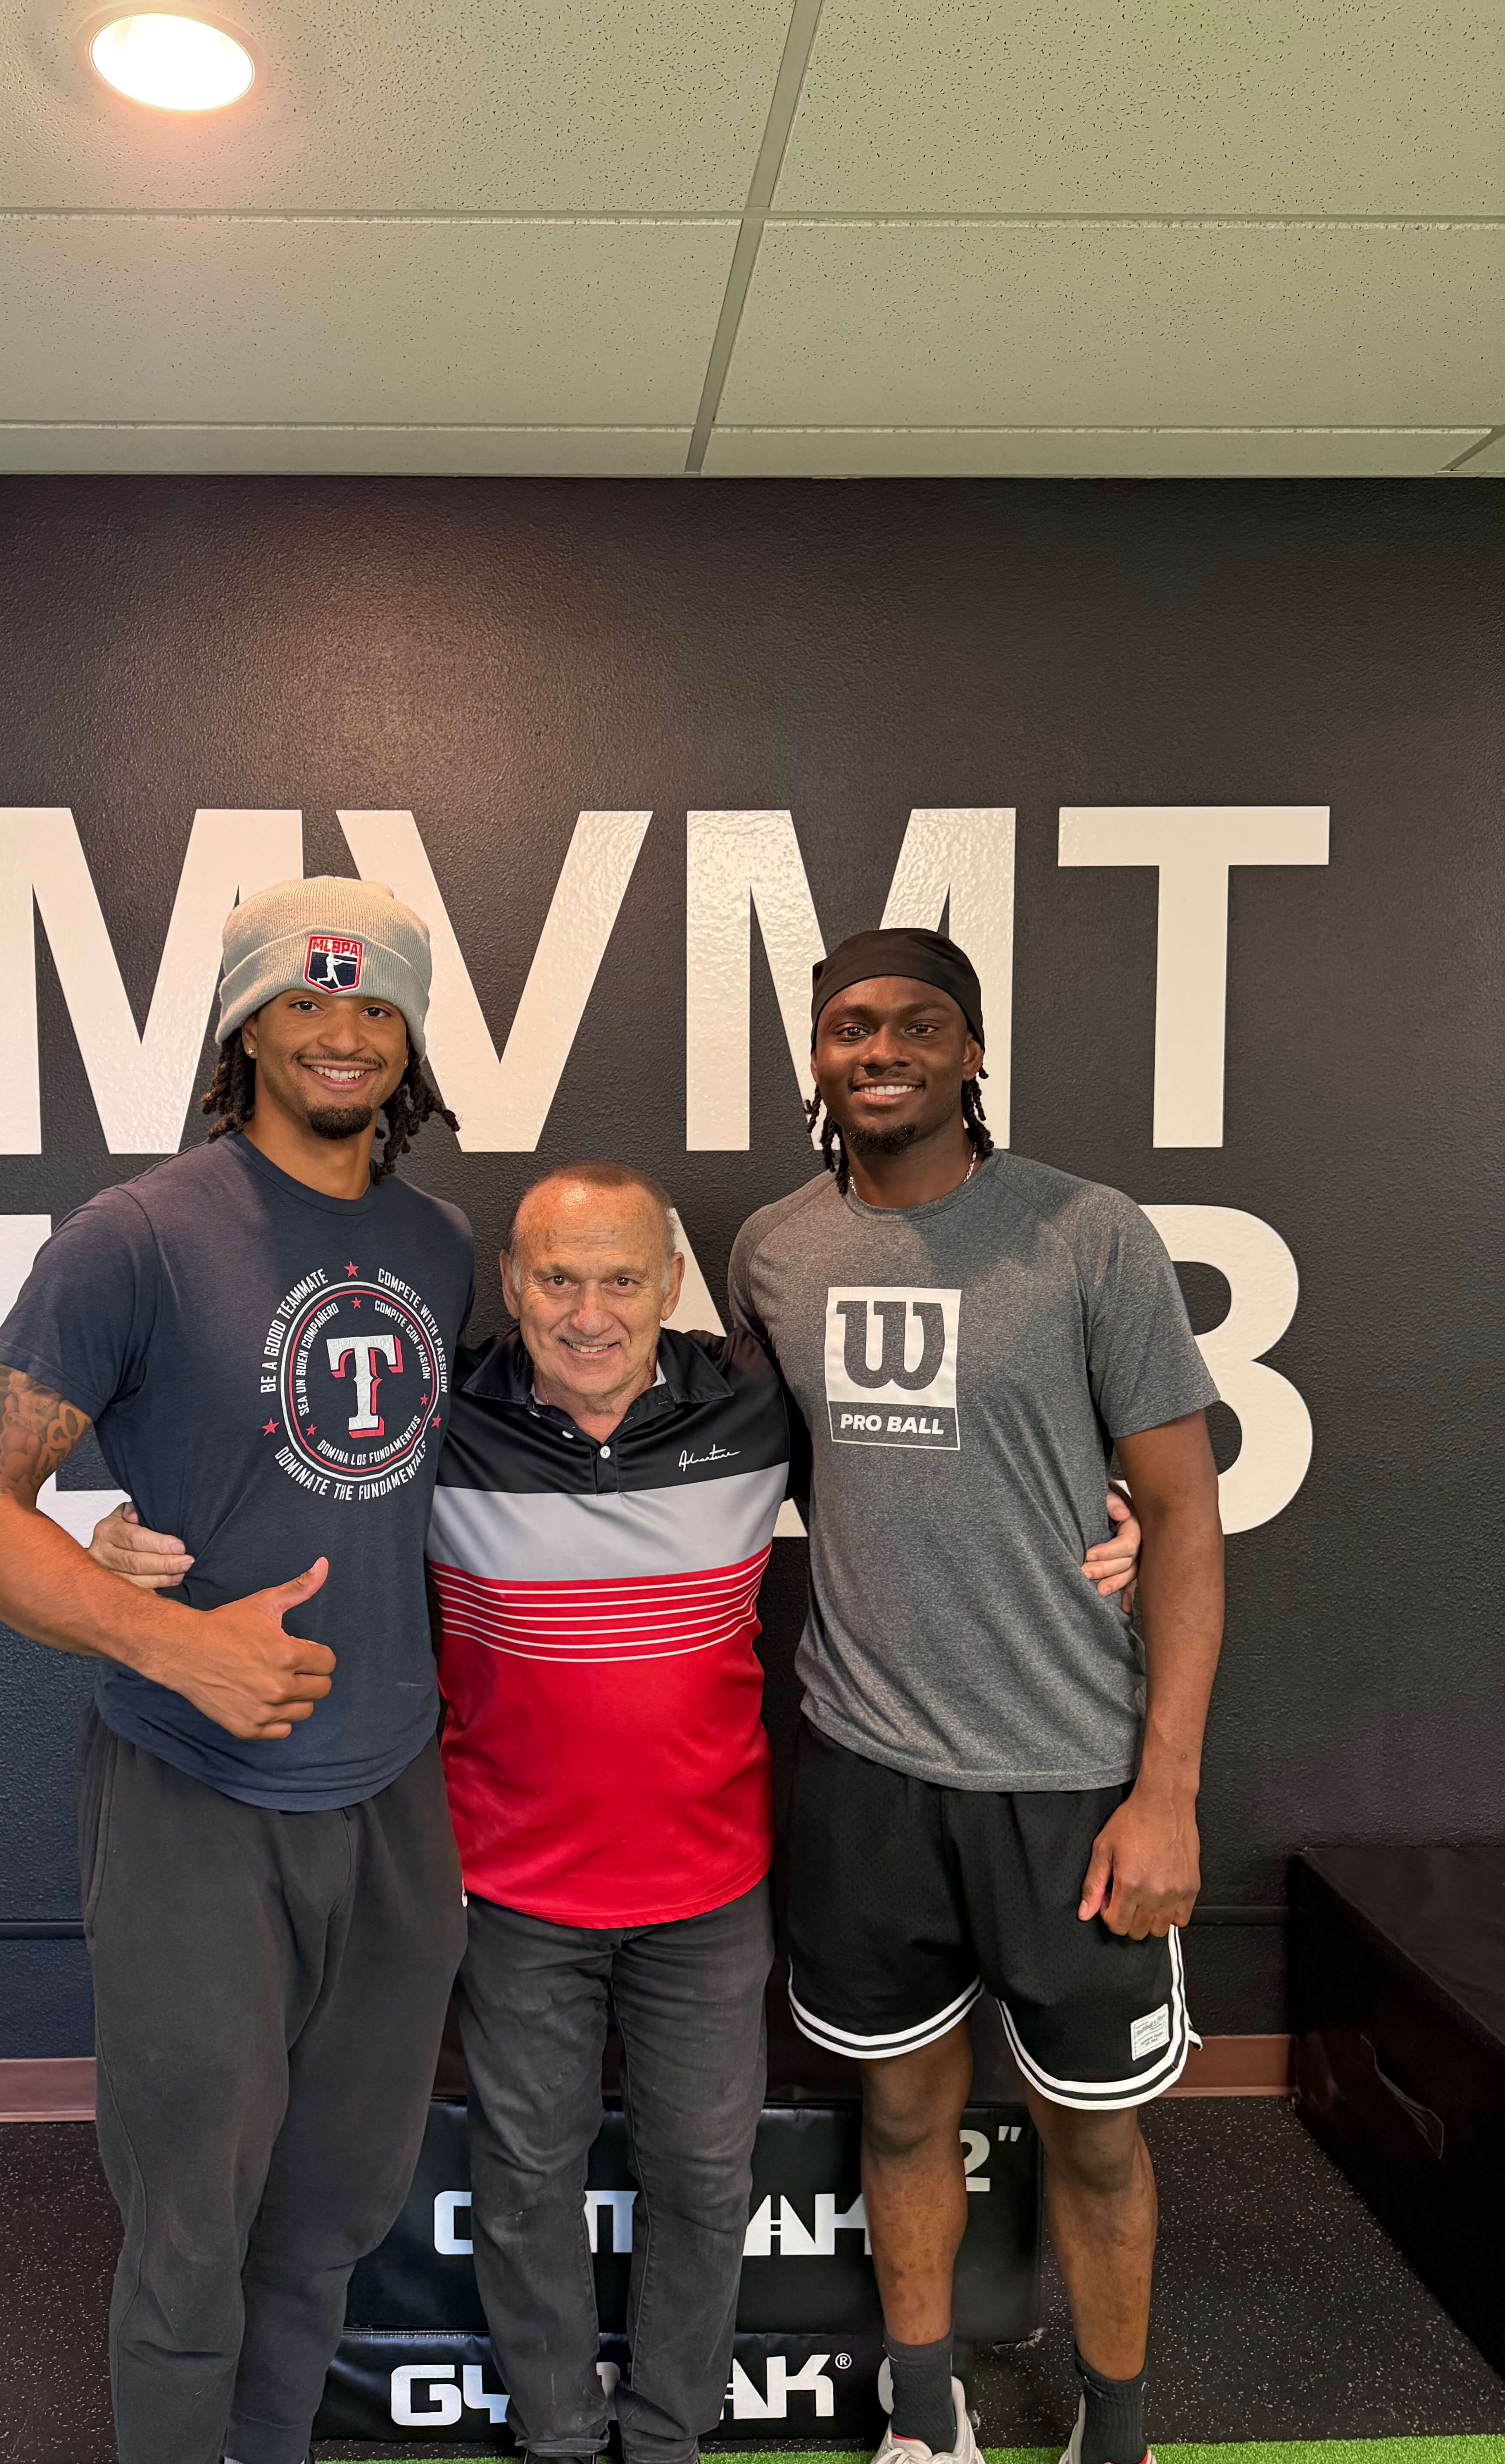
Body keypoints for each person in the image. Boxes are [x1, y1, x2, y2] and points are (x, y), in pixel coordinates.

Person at [98, 1153, 1142, 2464]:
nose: (586, 1314)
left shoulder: (761, 1407)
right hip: (510, 1889)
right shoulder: (432, 1416)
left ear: (668, 1287)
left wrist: (1105, 1518)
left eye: (618, 1281)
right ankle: (555, 2436)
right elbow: (271, 1482)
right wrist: (117, 1544)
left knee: (703, 2185)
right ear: (508, 1284)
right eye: (555, 1280)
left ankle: (663, 2439)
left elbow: (932, 1484)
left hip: (710, 1891)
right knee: (524, 2181)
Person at [0, 878, 474, 2464]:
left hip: (390, 1796)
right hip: (195, 1800)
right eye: (303, 1000)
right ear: (245, 1024)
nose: (342, 1033)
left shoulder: (440, 1244)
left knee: (329, 2221)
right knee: (189, 2241)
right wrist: (169, 1641)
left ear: (412, 1033)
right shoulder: (138, 1236)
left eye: (374, 1003)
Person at [726, 927, 1225, 2464]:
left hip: (1067, 1778)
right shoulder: (772, 1251)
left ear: (972, 1054)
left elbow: (1186, 1523)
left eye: (918, 1026)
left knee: (1090, 2136)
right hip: (867, 1768)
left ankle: (1116, 2430)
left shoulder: (1085, 1236)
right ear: (816, 1055)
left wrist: (1165, 1793)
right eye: (848, 1027)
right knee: (895, 2115)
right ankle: (923, 2414)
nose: (880, 1051)